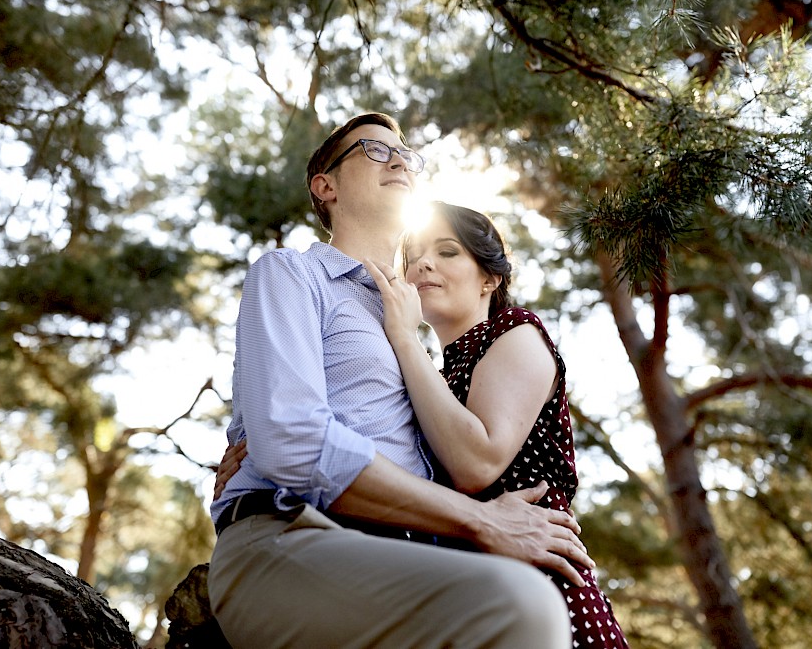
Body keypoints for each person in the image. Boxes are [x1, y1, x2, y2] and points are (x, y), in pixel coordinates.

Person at [208, 112, 592, 649]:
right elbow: (290, 439)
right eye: (373, 149)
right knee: (519, 606)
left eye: (407, 155)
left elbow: (455, 462)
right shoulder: (291, 274)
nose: (398, 160)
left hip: (404, 560)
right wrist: (481, 521)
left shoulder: (415, 337)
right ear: (327, 186)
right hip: (292, 538)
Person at [363, 201, 630, 647]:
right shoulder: (430, 376)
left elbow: (477, 463)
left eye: (447, 251)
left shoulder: (516, 332)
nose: (423, 263)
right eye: (413, 258)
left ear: (490, 278)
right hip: (459, 591)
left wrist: (405, 338)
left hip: (542, 580)